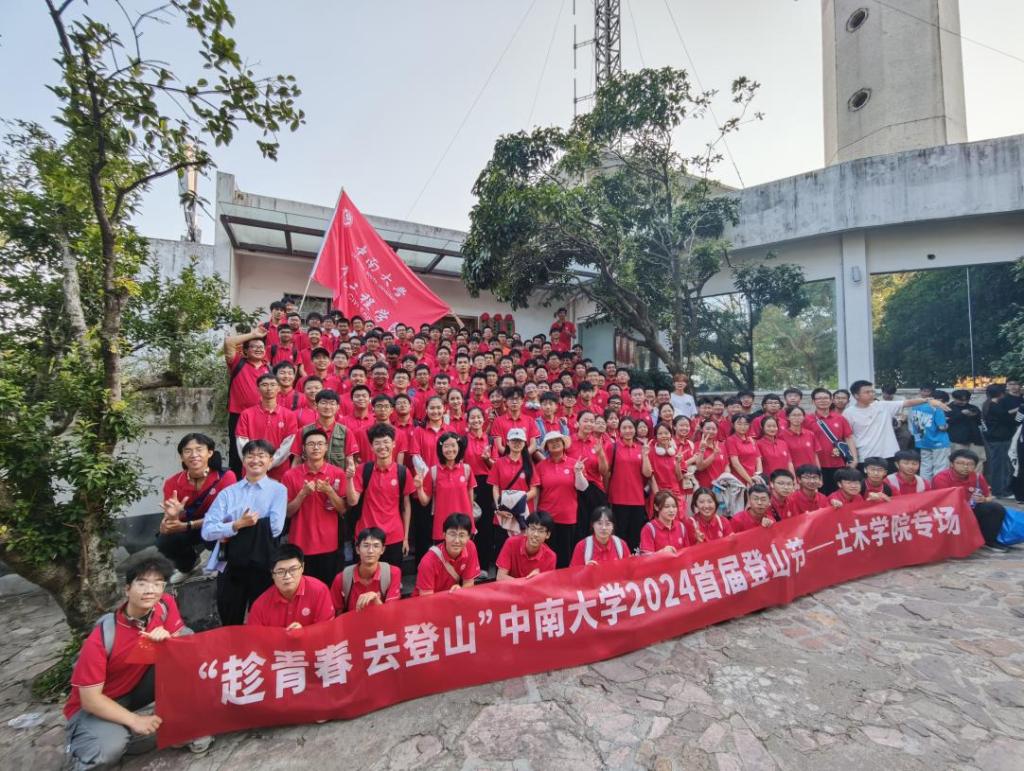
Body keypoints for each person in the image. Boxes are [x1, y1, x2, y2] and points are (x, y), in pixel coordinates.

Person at [63, 556, 210, 769]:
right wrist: (135, 721)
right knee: (107, 752)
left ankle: (177, 727)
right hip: (98, 703)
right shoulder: (103, 637)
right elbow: (90, 700)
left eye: (157, 583)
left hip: (135, 689)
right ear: (127, 589)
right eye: (142, 583)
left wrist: (169, 639)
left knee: (186, 648)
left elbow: (185, 645)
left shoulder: (164, 605)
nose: (150, 590)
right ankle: (83, 744)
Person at [201, 439, 286, 625]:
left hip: (262, 561)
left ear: (270, 461)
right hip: (230, 562)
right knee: (230, 616)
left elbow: (276, 528)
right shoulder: (228, 493)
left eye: (261, 456)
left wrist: (229, 527)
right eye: (250, 455)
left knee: (263, 618)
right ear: (243, 460)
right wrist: (237, 525)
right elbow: (207, 530)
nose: (255, 460)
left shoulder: (278, 490)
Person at [157, 433, 236, 584]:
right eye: (187, 451)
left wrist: (188, 525)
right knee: (164, 541)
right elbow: (168, 523)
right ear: (182, 457)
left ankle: (221, 564)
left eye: (199, 450)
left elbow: (227, 516)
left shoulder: (226, 477)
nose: (194, 455)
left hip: (215, 524)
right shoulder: (172, 483)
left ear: (210, 453)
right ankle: (187, 566)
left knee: (224, 529)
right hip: (187, 526)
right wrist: (171, 519)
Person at [282, 428, 347, 587]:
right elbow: (288, 513)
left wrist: (329, 491)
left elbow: (343, 509)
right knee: (303, 589)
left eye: (320, 444)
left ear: (326, 447)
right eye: (311, 444)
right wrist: (302, 494)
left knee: (327, 588)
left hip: (329, 544)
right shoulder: (290, 475)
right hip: (300, 543)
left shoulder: (337, 473)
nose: (316, 447)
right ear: (304, 448)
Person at [346, 423, 414, 567]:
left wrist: (405, 537)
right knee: (365, 576)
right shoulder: (363, 470)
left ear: (394, 444)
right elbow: (352, 501)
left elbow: (406, 506)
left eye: (386, 442)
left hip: (394, 536)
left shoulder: (402, 472)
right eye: (377, 443)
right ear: (371, 447)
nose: (382, 446)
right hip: (366, 535)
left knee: (393, 576)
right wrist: (349, 479)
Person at [843, 380, 947, 469]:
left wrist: (927, 400)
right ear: (856, 395)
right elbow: (848, 437)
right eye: (867, 392)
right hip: (865, 456)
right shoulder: (848, 413)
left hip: (889, 454)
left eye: (872, 391)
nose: (871, 394)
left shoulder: (882, 405)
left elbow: (907, 402)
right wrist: (854, 458)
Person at [932, 449, 1008, 552]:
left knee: (996, 508)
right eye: (960, 463)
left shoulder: (977, 477)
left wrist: (984, 499)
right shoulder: (941, 478)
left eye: (970, 464)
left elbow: (989, 496)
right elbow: (940, 502)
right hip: (950, 511)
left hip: (970, 509)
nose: (965, 467)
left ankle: (988, 541)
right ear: (951, 464)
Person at [245, 544, 334, 629]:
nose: (287, 576)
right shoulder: (260, 606)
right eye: (280, 572)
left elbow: (327, 630)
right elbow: (255, 637)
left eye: (293, 569)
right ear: (272, 574)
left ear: (302, 567)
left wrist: (304, 633)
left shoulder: (320, 591)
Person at [535, 431, 589, 567]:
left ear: (564, 444)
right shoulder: (540, 466)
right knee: (545, 556)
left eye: (558, 441)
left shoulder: (574, 464)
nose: (554, 444)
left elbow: (582, 487)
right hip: (546, 517)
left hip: (567, 517)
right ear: (546, 447)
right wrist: (535, 514)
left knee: (565, 556)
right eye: (551, 442)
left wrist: (578, 472)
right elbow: (537, 492)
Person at [224, 327, 271, 476]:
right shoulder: (238, 363)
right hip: (238, 415)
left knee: (262, 449)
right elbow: (229, 342)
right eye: (254, 346)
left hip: (262, 416)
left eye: (261, 347)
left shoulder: (269, 368)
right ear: (245, 350)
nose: (259, 349)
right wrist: (253, 334)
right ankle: (237, 480)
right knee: (237, 452)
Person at [415, 432, 477, 543]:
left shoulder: (466, 469)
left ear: (459, 447)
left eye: (453, 445)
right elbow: (424, 502)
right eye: (446, 446)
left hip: (464, 526)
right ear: (441, 449)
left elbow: (470, 501)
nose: (450, 449)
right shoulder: (433, 471)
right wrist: (419, 488)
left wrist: (471, 524)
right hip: (442, 527)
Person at [605, 417, 652, 551]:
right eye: (624, 428)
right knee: (619, 536)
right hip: (618, 499)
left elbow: (647, 473)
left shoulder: (641, 448)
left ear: (635, 430)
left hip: (637, 499)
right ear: (619, 430)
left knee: (635, 537)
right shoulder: (613, 447)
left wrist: (645, 455)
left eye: (630, 427)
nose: (627, 430)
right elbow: (606, 472)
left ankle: (634, 561)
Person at [331, 527, 403, 613]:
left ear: (382, 550)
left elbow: (392, 612)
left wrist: (376, 600)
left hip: (382, 620)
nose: (370, 551)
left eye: (376, 546)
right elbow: (337, 614)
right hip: (353, 621)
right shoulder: (342, 579)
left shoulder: (392, 573)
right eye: (366, 545)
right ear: (357, 549)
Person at [414, 513, 481, 595]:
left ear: (468, 537)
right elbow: (426, 598)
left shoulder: (470, 547)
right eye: (452, 534)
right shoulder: (428, 562)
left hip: (452, 597)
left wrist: (461, 590)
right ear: (444, 535)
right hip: (428, 599)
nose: (457, 541)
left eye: (462, 535)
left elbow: (469, 583)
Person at [808, 388, 858, 494]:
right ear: (813, 401)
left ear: (831, 400)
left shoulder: (840, 418)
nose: (823, 400)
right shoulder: (807, 420)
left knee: (839, 494)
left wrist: (854, 459)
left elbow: (849, 438)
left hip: (839, 463)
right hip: (817, 465)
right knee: (821, 494)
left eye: (826, 398)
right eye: (819, 398)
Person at [495, 511, 557, 579]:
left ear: (548, 535)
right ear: (526, 530)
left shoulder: (551, 557)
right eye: (532, 529)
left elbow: (546, 583)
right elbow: (500, 577)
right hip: (512, 586)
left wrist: (537, 580)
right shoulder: (511, 543)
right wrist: (528, 581)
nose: (535, 534)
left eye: (541, 531)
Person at [982, 384, 1016, 498]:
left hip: (997, 438)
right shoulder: (993, 406)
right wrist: (1018, 410)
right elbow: (1006, 418)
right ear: (1000, 393)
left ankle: (1001, 490)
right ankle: (1000, 491)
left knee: (1001, 465)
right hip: (999, 439)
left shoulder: (989, 404)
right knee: (1000, 466)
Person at [908, 390, 951, 481]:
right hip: (939, 442)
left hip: (923, 441)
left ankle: (925, 487)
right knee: (940, 467)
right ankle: (939, 487)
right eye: (944, 403)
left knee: (925, 467)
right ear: (940, 400)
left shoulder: (916, 407)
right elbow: (942, 427)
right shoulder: (937, 408)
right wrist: (947, 424)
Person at [639, 490, 696, 554]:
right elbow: (645, 556)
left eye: (674, 506)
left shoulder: (681, 526)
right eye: (666, 506)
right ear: (656, 507)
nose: (671, 510)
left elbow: (687, 553)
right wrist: (662, 552)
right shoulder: (649, 529)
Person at [947, 390, 987, 466]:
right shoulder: (948, 408)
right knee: (959, 461)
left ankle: (976, 474)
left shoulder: (973, 407)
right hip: (957, 440)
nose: (964, 402)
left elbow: (981, 422)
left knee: (978, 460)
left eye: (966, 400)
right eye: (961, 400)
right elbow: (948, 422)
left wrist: (975, 415)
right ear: (954, 398)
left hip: (975, 439)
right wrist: (961, 414)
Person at [726, 414, 763, 486]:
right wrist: (750, 481)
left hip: (755, 479)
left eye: (746, 424)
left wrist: (758, 476)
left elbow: (758, 459)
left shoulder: (751, 440)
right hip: (739, 481)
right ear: (733, 425)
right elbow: (735, 464)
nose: (743, 427)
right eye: (739, 424)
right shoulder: (731, 440)